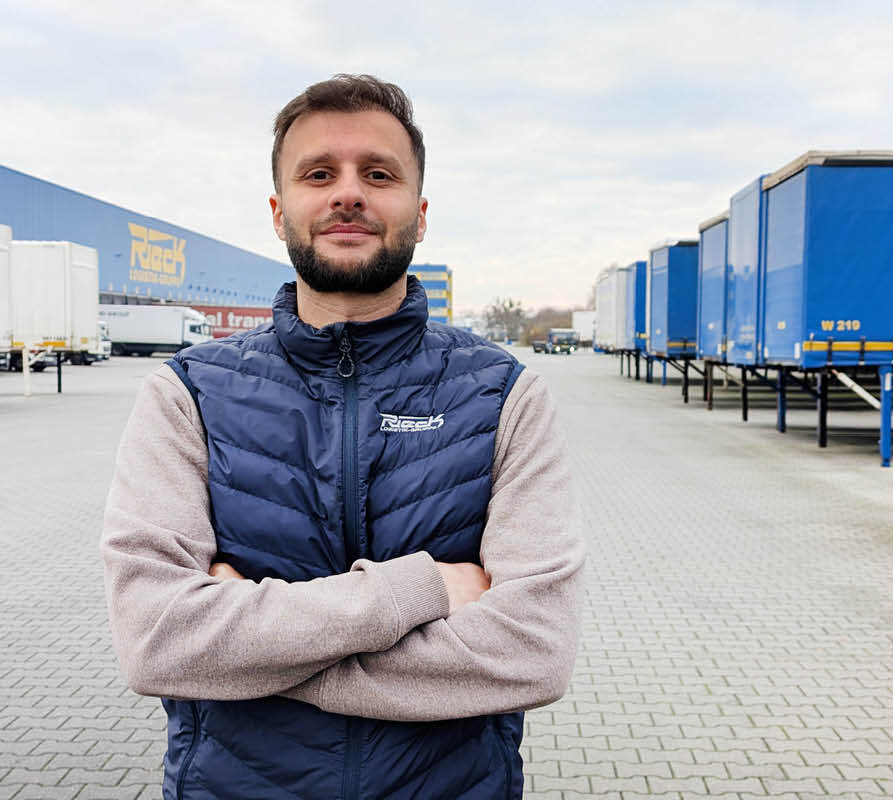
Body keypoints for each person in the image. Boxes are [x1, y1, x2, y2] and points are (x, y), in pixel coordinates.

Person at [101, 73, 585, 800]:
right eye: (319, 173)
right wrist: (420, 589)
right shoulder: (187, 396)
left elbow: (533, 652)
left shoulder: (505, 394)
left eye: (379, 174)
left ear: (420, 215)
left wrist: (250, 651)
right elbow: (157, 642)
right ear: (278, 210)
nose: (348, 193)